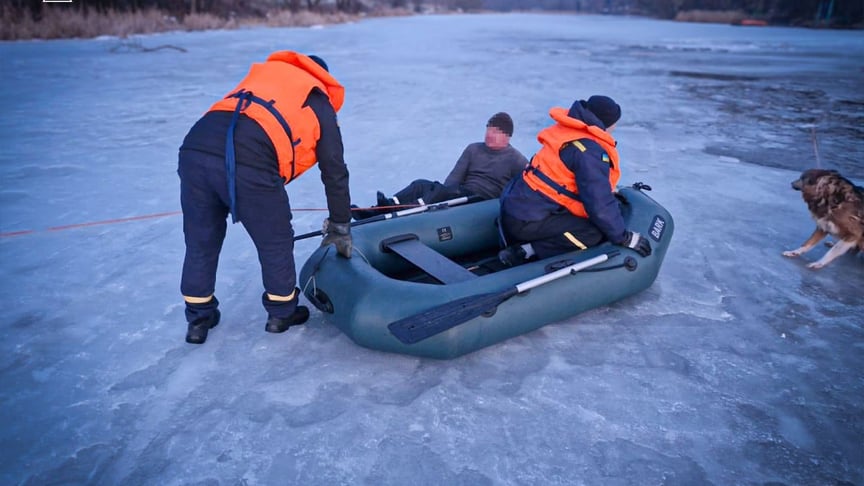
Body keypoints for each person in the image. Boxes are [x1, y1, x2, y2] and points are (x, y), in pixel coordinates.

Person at [177, 51, 352, 345]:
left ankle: (199, 317)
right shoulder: (316, 97)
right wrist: (340, 224)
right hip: (250, 159)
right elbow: (334, 171)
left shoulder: (265, 80)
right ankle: (282, 312)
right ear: (322, 78)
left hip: (195, 150)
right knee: (275, 239)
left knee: (201, 240)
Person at [498, 95, 652, 266]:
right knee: (593, 231)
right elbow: (599, 205)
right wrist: (624, 238)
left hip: (516, 207)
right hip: (526, 221)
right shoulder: (589, 152)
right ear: (607, 122)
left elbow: (563, 180)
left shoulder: (567, 132)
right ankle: (527, 251)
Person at [352, 112, 528, 219]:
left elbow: (526, 188)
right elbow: (453, 179)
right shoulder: (473, 149)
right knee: (421, 184)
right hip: (461, 193)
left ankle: (403, 212)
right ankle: (381, 208)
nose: (489, 134)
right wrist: (441, 192)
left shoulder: (516, 159)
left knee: (440, 191)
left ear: (508, 136)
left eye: (495, 132)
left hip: (481, 201)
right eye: (488, 129)